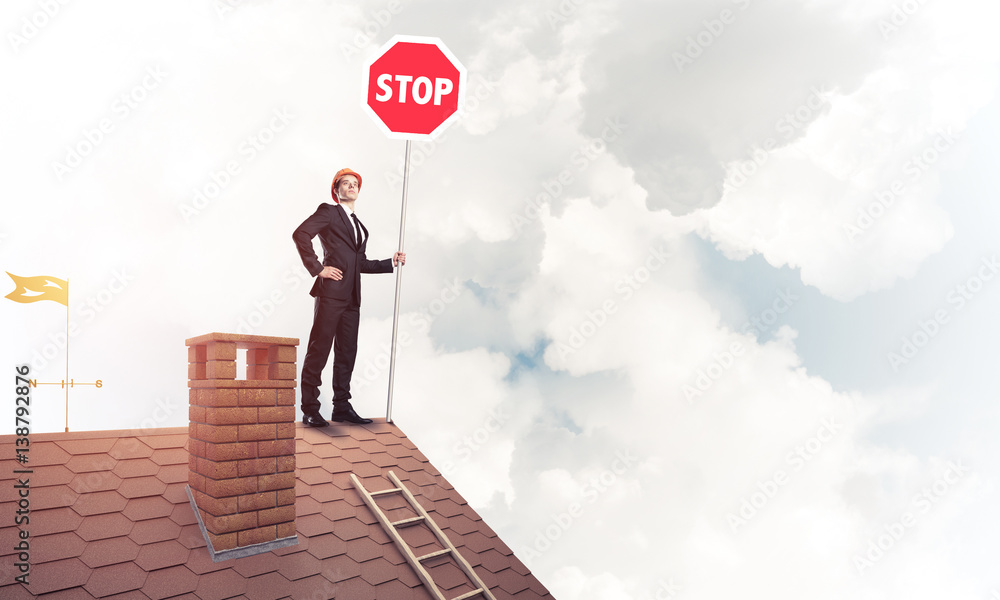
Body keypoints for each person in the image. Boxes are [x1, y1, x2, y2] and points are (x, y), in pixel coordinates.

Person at [293, 167, 405, 426]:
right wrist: (318, 268)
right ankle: (310, 409)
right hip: (331, 294)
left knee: (347, 353)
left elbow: (360, 263)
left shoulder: (358, 225)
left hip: (352, 298)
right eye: (346, 183)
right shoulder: (328, 212)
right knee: (319, 351)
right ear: (336, 190)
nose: (351, 186)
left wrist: (391, 262)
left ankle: (341, 408)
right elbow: (300, 234)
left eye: (355, 183)